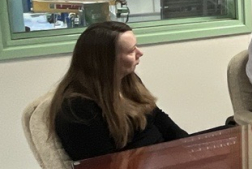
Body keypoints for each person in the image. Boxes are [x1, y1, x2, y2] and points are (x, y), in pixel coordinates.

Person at [51, 21, 187, 161]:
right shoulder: (78, 109)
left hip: (161, 162)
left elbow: (159, 118)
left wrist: (190, 147)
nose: (140, 53)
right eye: (131, 51)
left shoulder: (129, 81)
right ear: (105, 61)